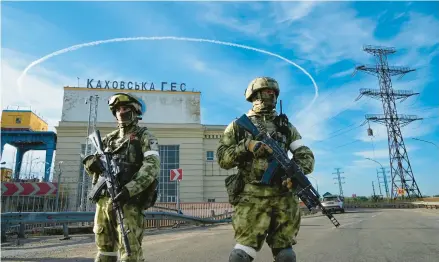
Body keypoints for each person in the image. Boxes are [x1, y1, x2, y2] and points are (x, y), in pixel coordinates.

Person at [217, 77, 315, 262]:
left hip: (283, 197)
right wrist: (246, 146)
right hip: (252, 198)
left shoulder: (286, 126)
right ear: (254, 95)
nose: (271, 95)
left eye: (274, 93)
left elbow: (306, 155)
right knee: (242, 255)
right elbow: (223, 158)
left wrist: (294, 173)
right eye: (266, 92)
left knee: (286, 255)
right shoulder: (238, 126)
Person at [83, 92, 160, 262]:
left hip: (128, 202)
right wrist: (91, 165)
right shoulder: (108, 139)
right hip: (104, 201)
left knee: (129, 252)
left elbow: (152, 166)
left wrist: (129, 189)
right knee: (104, 250)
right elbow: (95, 170)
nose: (121, 112)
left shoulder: (144, 136)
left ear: (135, 111)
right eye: (118, 109)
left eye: (125, 108)